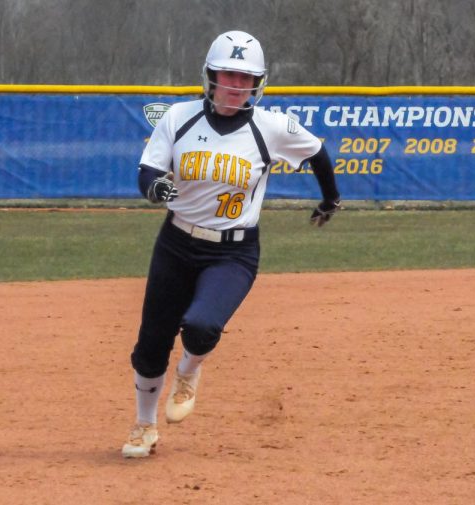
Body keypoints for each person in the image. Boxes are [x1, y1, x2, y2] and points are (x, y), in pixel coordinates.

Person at [122, 30, 341, 458]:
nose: (235, 86)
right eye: (228, 75)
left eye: (245, 78)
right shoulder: (179, 117)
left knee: (202, 326)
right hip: (176, 244)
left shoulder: (271, 127)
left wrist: (330, 198)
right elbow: (148, 171)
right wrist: (156, 190)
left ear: (258, 83)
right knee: (150, 344)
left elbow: (317, 153)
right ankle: (143, 427)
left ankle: (189, 371)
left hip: (233, 251)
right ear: (210, 75)